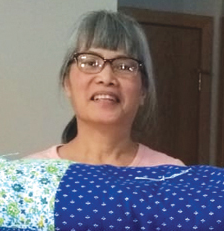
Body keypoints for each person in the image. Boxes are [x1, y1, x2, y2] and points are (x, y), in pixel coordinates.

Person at [27, 10, 182, 167]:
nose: (106, 78)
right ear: (67, 83)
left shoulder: (172, 174)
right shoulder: (28, 174)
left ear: (143, 90)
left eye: (124, 66)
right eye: (90, 63)